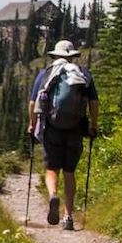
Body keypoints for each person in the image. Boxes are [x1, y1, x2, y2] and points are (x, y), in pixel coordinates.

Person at [28, 39, 99, 231]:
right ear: (72, 56)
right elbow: (93, 103)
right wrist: (93, 125)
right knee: (70, 172)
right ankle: (68, 216)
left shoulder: (45, 74)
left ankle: (52, 195)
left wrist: (31, 125)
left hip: (52, 127)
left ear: (55, 55)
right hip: (76, 128)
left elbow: (33, 104)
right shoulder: (84, 75)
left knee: (52, 168)